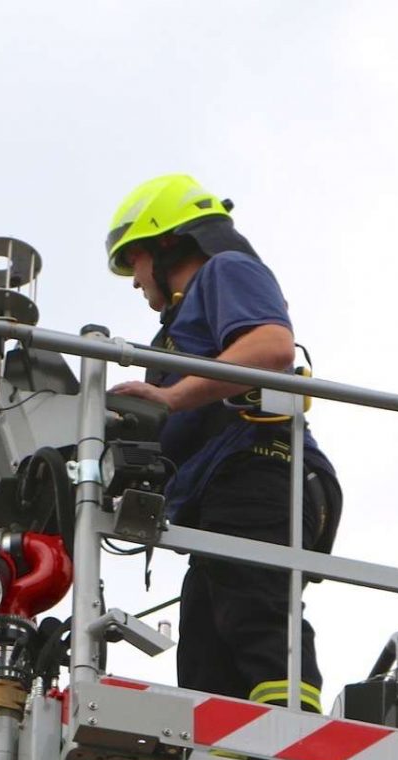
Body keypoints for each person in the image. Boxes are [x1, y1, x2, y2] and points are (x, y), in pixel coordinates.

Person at [105, 174, 343, 711]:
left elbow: (271, 347)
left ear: (168, 243)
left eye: (135, 260)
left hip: (260, 469)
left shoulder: (226, 272)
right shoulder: (173, 337)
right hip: (218, 498)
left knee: (255, 612)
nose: (134, 279)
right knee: (204, 657)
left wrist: (169, 398)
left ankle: (291, 737)